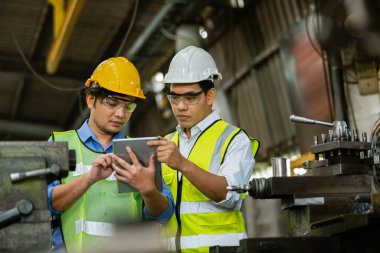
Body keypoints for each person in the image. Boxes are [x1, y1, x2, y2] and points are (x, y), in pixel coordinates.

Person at [47, 57, 174, 253]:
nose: (120, 114)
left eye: (128, 106)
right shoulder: (60, 144)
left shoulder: (140, 152)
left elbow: (164, 215)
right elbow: (44, 205)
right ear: (91, 99)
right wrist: (89, 178)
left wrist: (148, 190)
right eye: (112, 103)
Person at [148, 46, 259, 253]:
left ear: (210, 96)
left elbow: (229, 194)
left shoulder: (234, 140)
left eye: (190, 98)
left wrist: (182, 163)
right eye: (174, 98)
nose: (180, 106)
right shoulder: (167, 143)